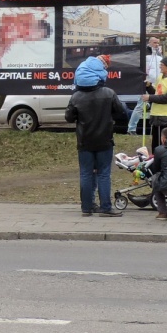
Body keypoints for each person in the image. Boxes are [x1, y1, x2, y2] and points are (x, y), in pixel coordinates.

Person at [65, 60, 129, 217]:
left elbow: (68, 117)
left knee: (86, 174)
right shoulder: (108, 93)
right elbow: (121, 112)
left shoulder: (76, 97)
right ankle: (106, 207)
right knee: (104, 174)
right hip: (105, 140)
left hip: (85, 141)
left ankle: (87, 207)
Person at [141, 55, 167, 151]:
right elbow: (156, 93)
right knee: (155, 147)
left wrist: (149, 98)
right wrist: (148, 87)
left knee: (165, 147)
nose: (160, 66)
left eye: (162, 64)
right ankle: (156, 164)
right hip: (156, 115)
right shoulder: (160, 77)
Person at [128, 37, 163, 134]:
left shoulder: (159, 54)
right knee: (140, 106)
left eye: (158, 43)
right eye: (155, 42)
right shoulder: (144, 53)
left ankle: (153, 127)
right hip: (146, 83)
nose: (156, 44)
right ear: (150, 42)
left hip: (156, 84)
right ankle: (131, 128)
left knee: (154, 105)